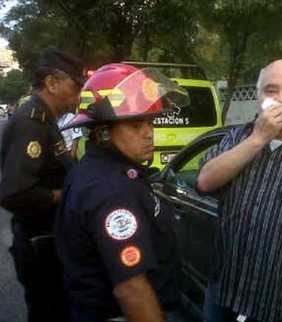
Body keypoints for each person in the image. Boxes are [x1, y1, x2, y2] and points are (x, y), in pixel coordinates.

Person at [197, 59, 282, 322]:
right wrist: (259, 138)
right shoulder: (238, 138)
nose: (281, 100)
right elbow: (204, 182)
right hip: (225, 294)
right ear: (258, 97)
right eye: (271, 91)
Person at [55, 63, 187, 322]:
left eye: (150, 122)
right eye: (136, 125)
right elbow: (132, 290)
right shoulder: (110, 190)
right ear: (103, 132)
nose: (150, 133)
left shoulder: (105, 171)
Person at [0, 47, 85, 322]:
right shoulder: (31, 123)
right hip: (39, 245)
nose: (79, 94)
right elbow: (14, 193)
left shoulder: (47, 119)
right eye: (75, 86)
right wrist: (64, 194)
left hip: (51, 240)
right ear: (52, 83)